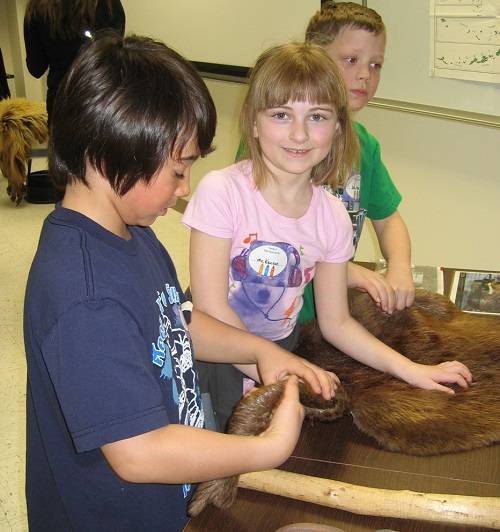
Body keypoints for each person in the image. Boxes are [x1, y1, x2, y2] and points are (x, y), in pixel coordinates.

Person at [23, 33, 336, 532]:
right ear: (117, 155)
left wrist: (260, 351)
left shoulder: (132, 233)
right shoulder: (86, 297)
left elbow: (177, 323)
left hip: (169, 503)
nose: (186, 188)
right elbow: (140, 453)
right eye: (178, 169)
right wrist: (264, 449)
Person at [183, 42, 472, 431]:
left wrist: (413, 370)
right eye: (282, 115)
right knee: (220, 449)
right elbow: (210, 308)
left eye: (317, 117)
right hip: (212, 352)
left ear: (338, 127)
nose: (299, 134)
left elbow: (337, 322)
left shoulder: (333, 216)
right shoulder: (222, 191)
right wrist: (267, 367)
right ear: (253, 121)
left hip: (279, 349)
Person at [300, 1, 414, 320]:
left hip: (330, 314)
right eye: (351, 60)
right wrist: (347, 272)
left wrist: (400, 267)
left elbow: (388, 219)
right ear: (313, 58)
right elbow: (270, 234)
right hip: (274, 316)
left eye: (375, 64)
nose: (364, 74)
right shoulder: (281, 137)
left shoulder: (365, 145)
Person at [24, 0, 125, 124]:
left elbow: (36, 68)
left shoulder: (37, 8)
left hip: (61, 100)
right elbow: (117, 52)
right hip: (102, 96)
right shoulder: (107, 3)